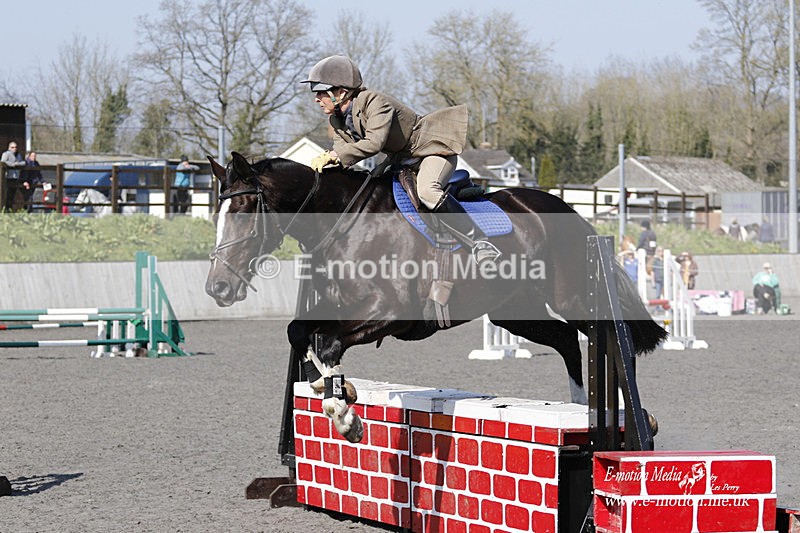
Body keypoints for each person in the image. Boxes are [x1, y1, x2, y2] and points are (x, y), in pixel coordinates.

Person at [301, 54, 500, 265]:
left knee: (428, 191)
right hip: (401, 159)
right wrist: (329, 163)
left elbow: (374, 143)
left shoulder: (375, 102)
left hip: (431, 152)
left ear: (341, 92)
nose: (316, 98)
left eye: (321, 92)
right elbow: (344, 152)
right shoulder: (336, 119)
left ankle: (480, 242)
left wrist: (334, 156)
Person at [1, 141, 26, 211]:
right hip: (8, 177)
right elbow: (3, 162)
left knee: (13, 194)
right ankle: (5, 209)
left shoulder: (18, 155)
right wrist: (13, 164)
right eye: (12, 147)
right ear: (9, 148)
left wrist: (18, 164)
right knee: (7, 194)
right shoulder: (6, 154)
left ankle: (10, 209)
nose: (14, 149)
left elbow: (23, 163)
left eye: (15, 147)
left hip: (16, 177)